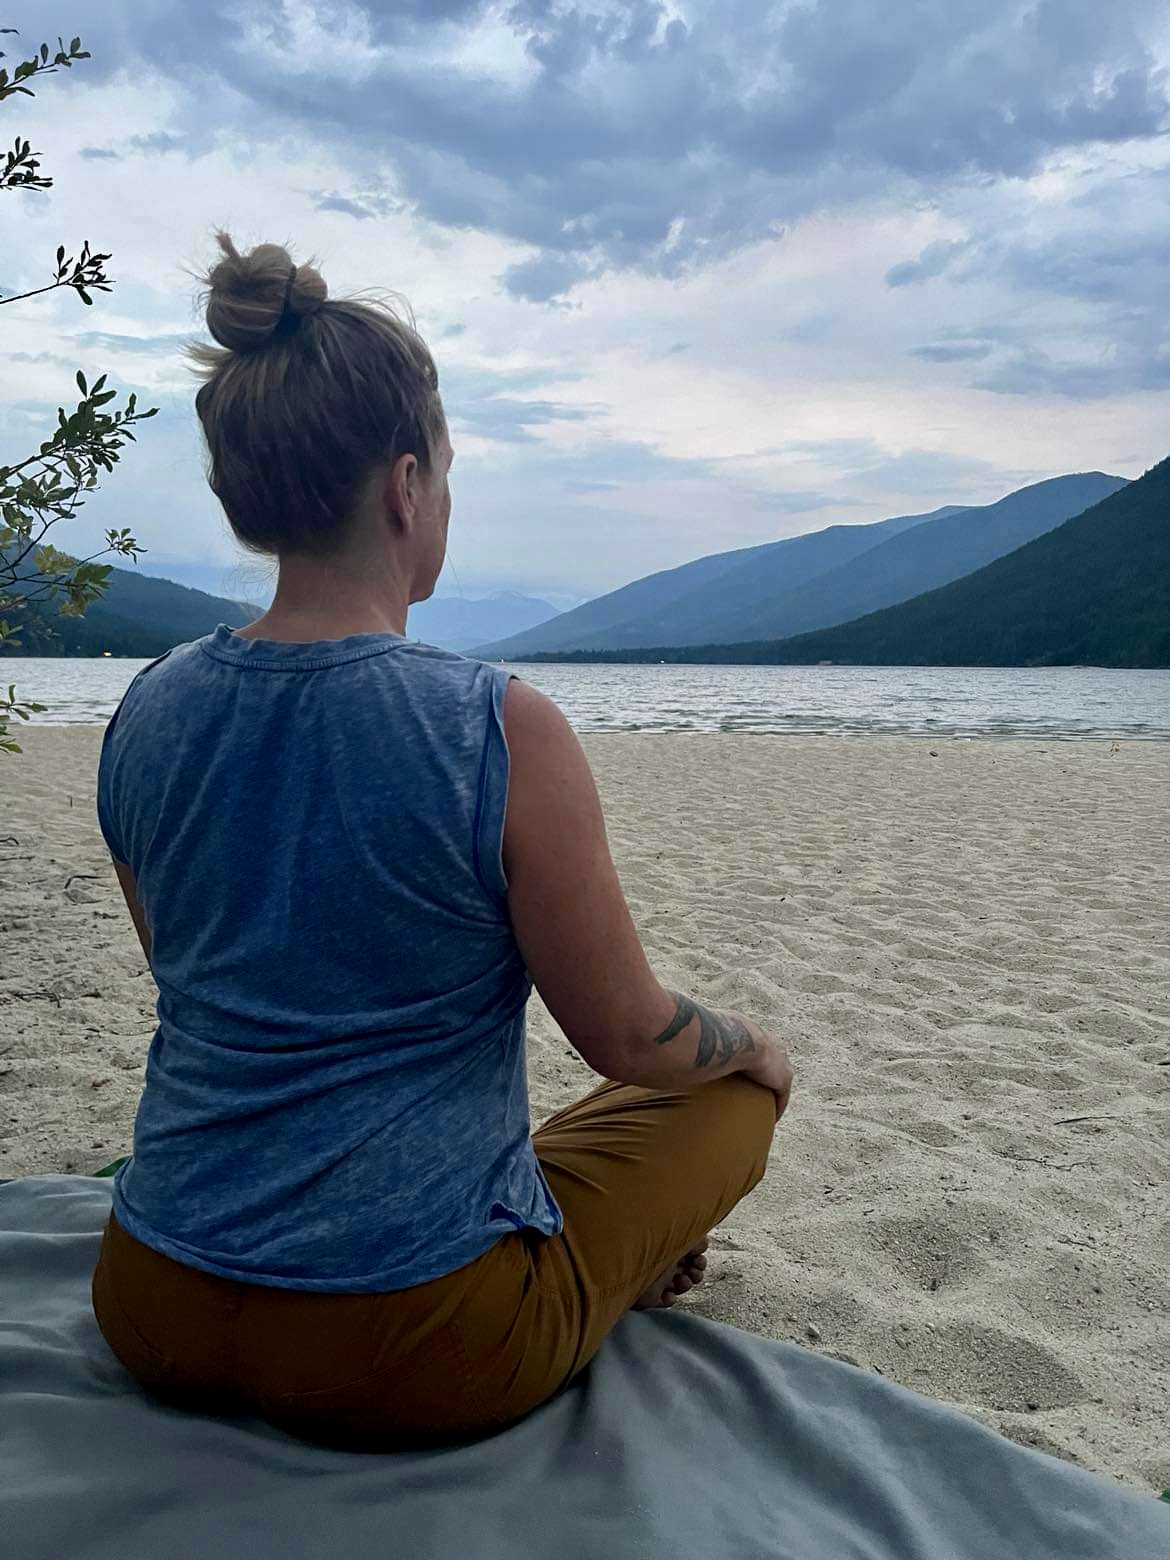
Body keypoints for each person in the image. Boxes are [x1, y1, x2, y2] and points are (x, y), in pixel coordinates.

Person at [90, 234, 794, 1453]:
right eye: (450, 479)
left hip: (152, 1296)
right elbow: (628, 1037)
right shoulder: (496, 725)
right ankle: (613, 1277)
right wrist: (758, 1047)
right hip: (407, 1342)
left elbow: (193, 979)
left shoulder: (146, 706)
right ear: (407, 486)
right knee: (722, 1099)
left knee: (547, 1138)